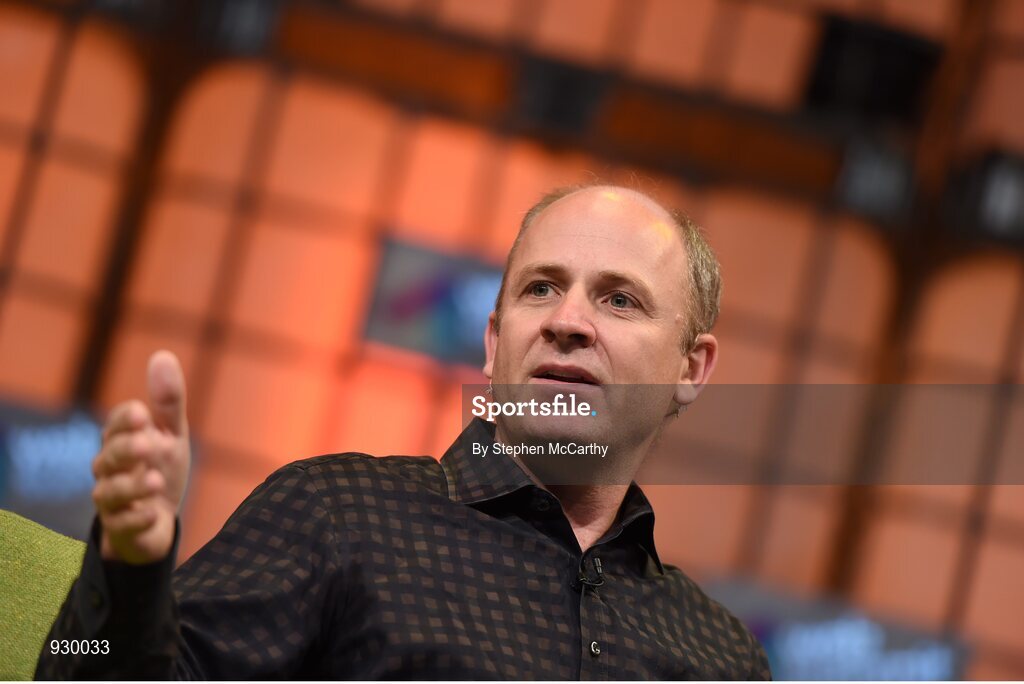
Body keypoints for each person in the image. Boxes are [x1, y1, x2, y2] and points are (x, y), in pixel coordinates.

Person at [35, 184, 771, 679]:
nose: (566, 321)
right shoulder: (338, 513)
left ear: (691, 366)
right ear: (492, 343)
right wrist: (130, 569)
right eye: (539, 288)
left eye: (618, 299)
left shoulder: (723, 654)